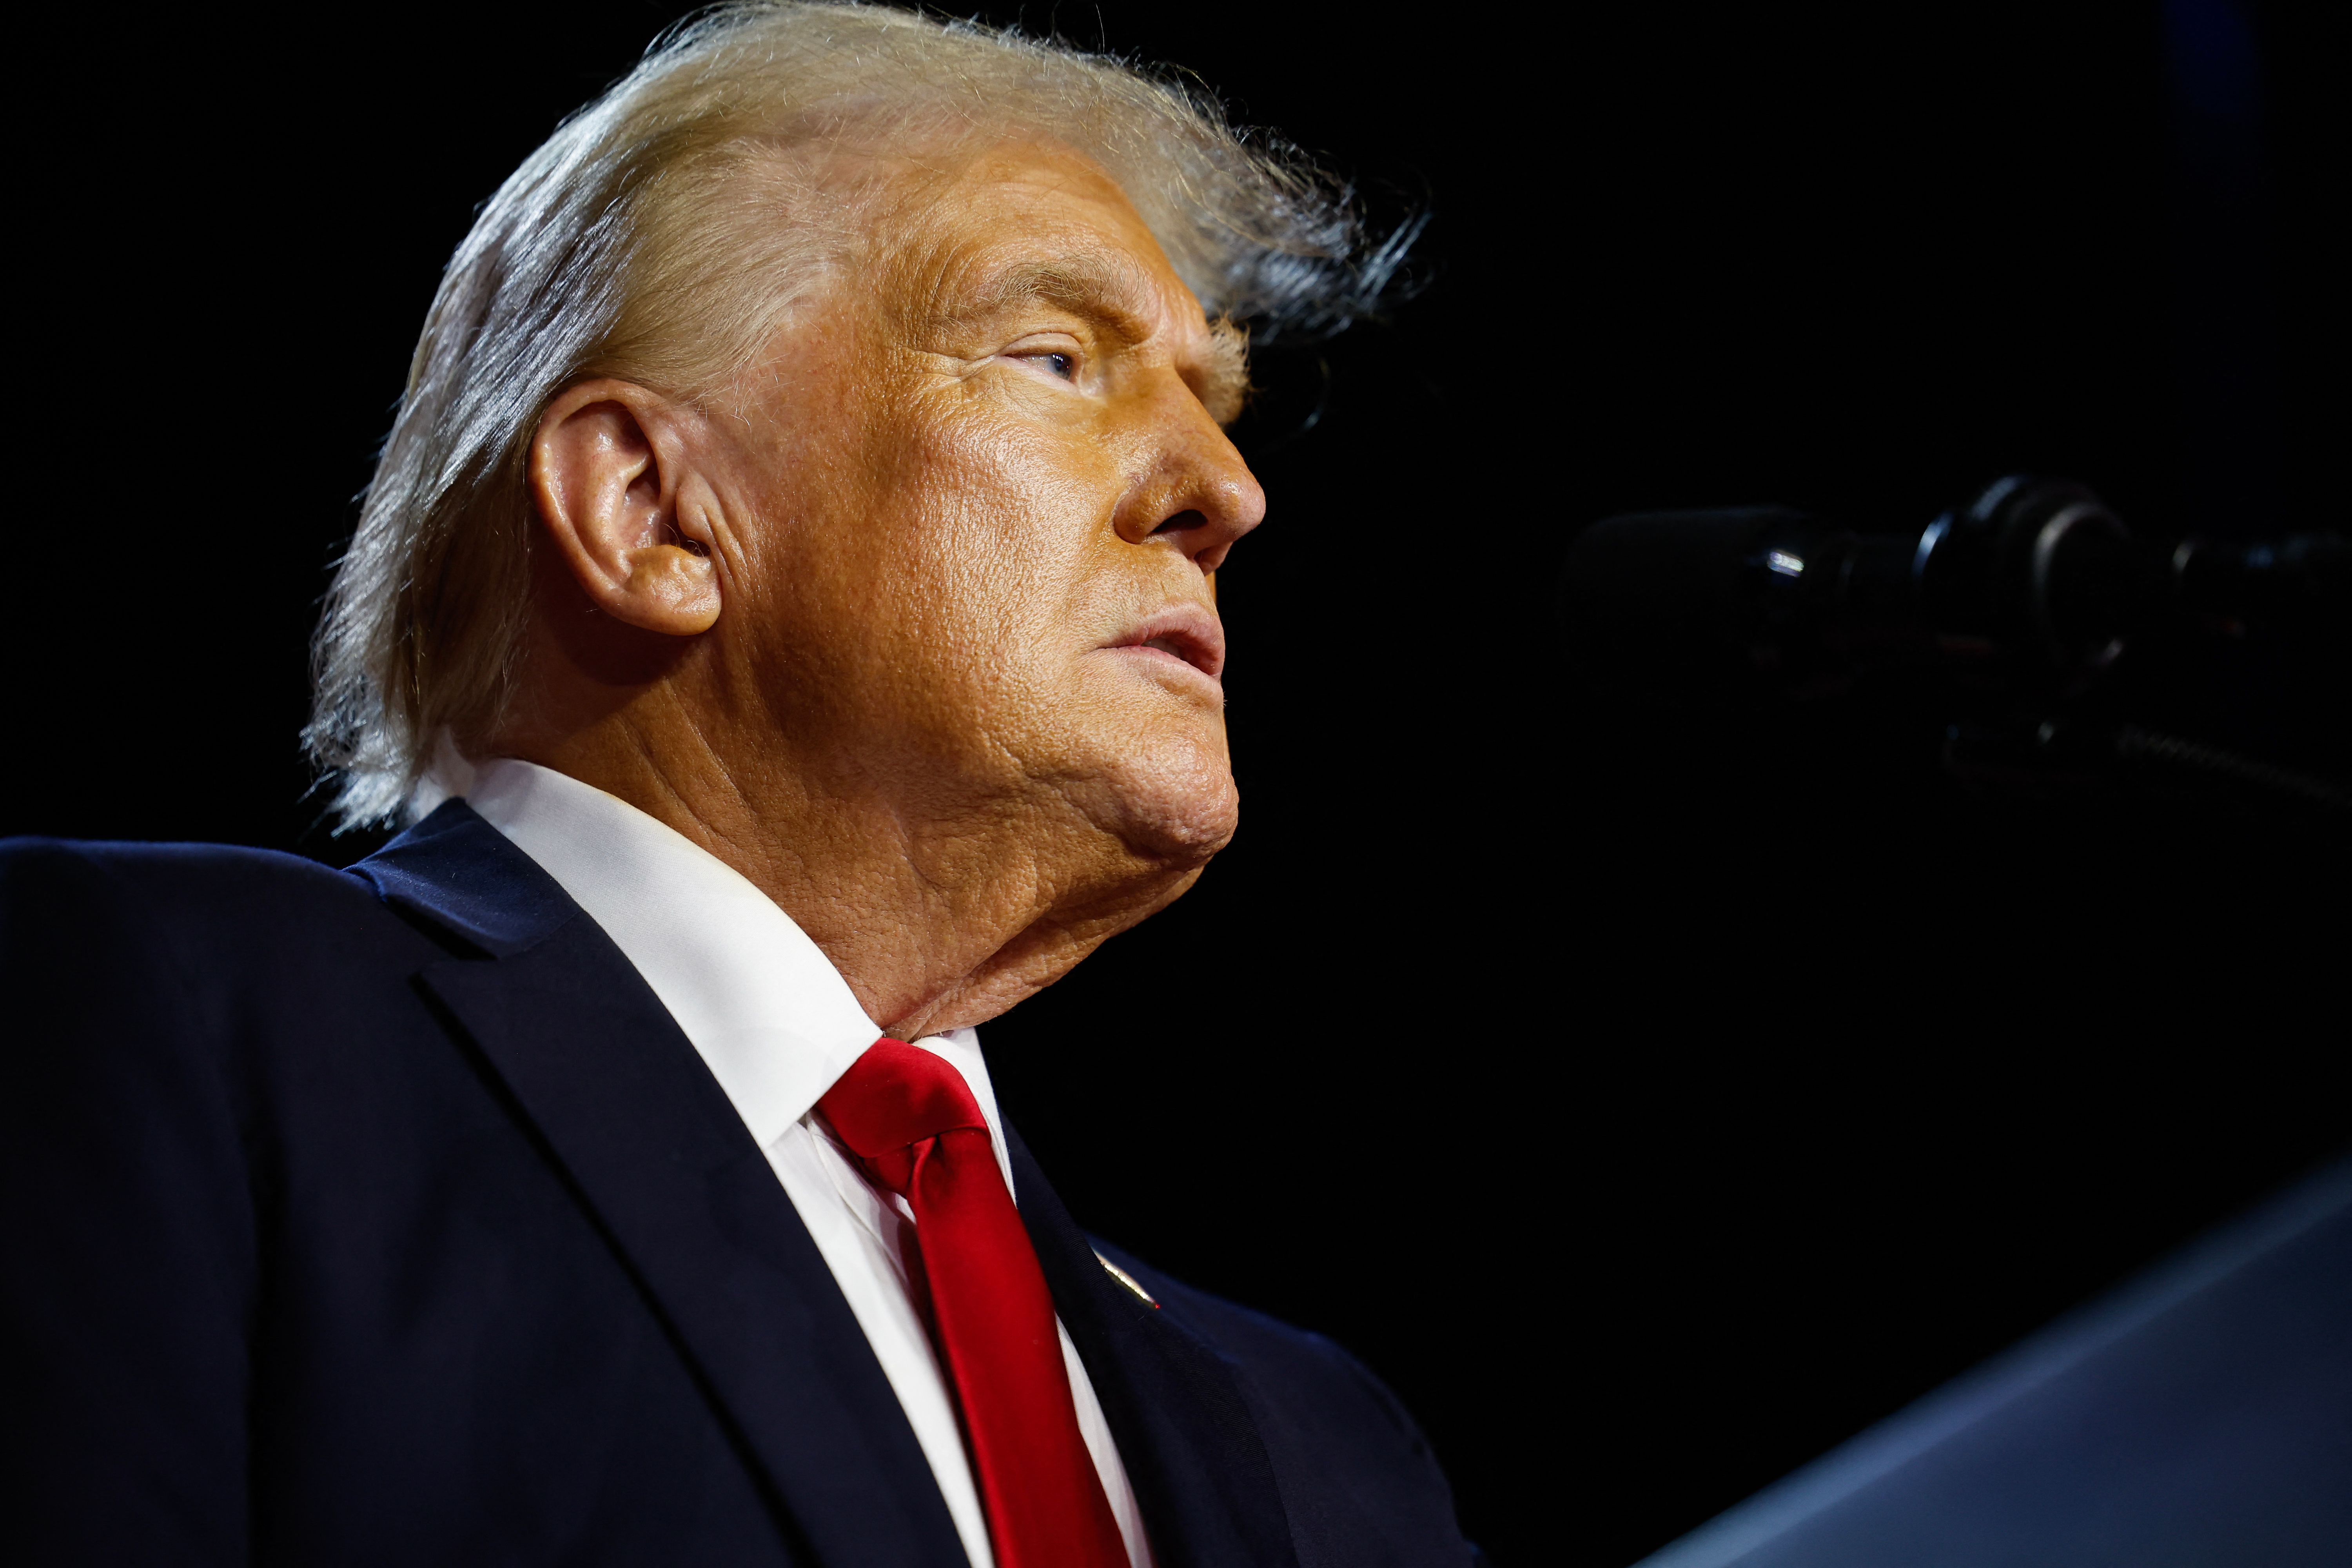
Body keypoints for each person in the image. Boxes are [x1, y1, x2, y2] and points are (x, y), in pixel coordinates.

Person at [0, 4, 1472, 1563]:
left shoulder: (1326, 1443)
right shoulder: (146, 1014)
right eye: (1055, 357)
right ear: (650, 511)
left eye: (1214, 404)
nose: (1226, 493)